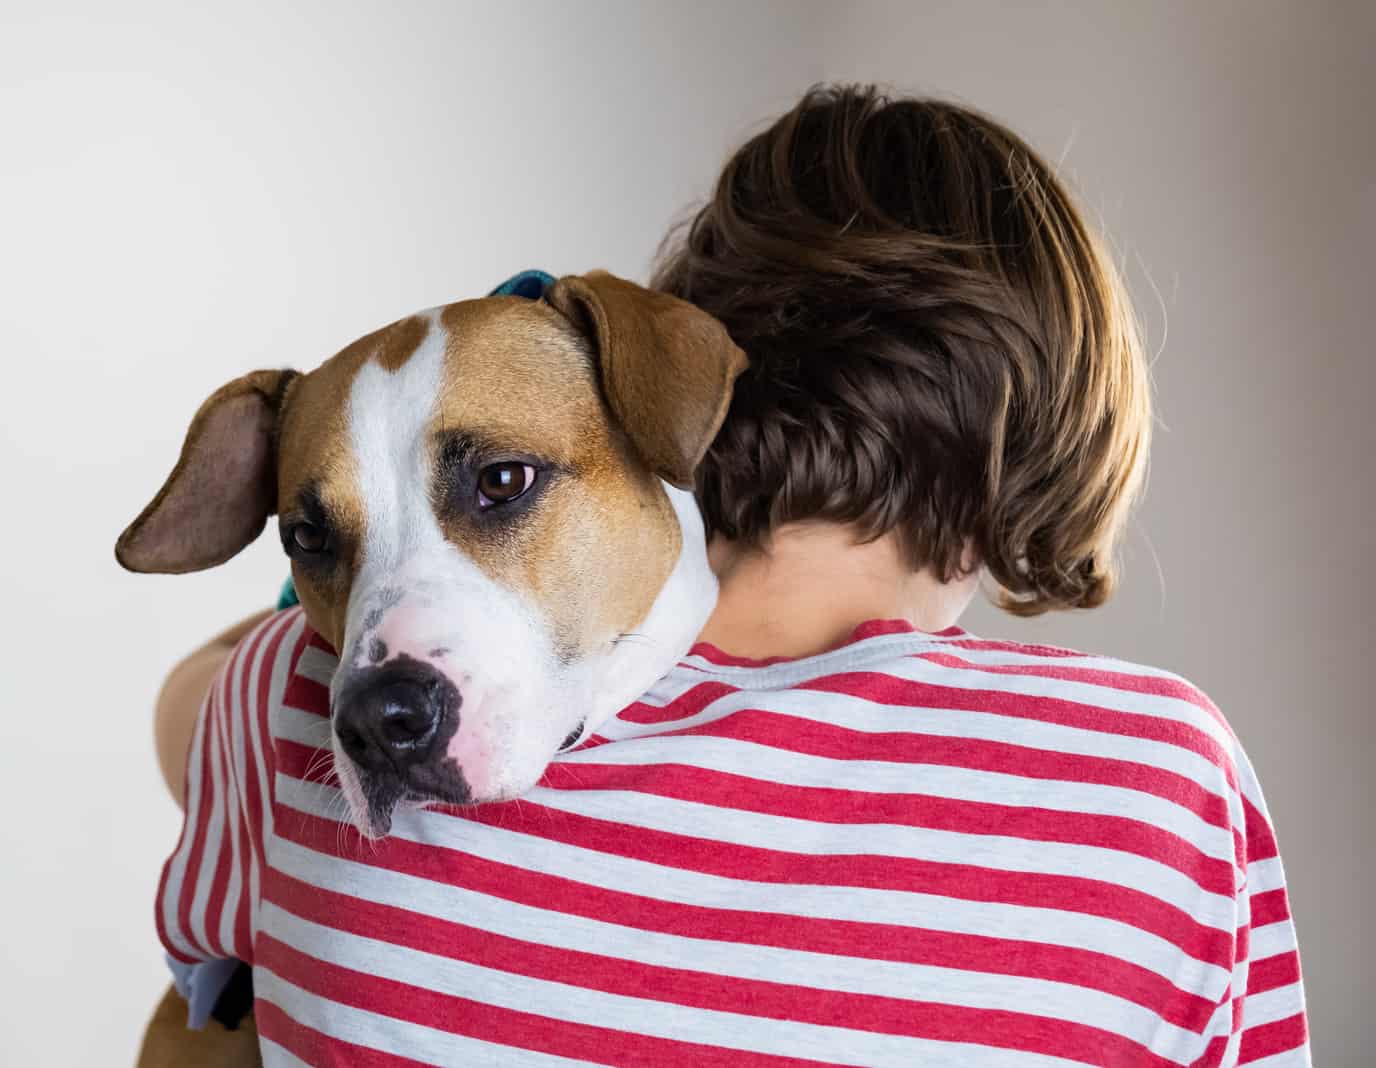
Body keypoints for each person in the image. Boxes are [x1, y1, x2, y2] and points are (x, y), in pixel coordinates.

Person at [142, 85, 1309, 1066]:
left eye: (502, 488)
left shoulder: (273, 696)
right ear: (1051, 428)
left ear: (691, 363)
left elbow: (192, 736)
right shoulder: (1156, 781)